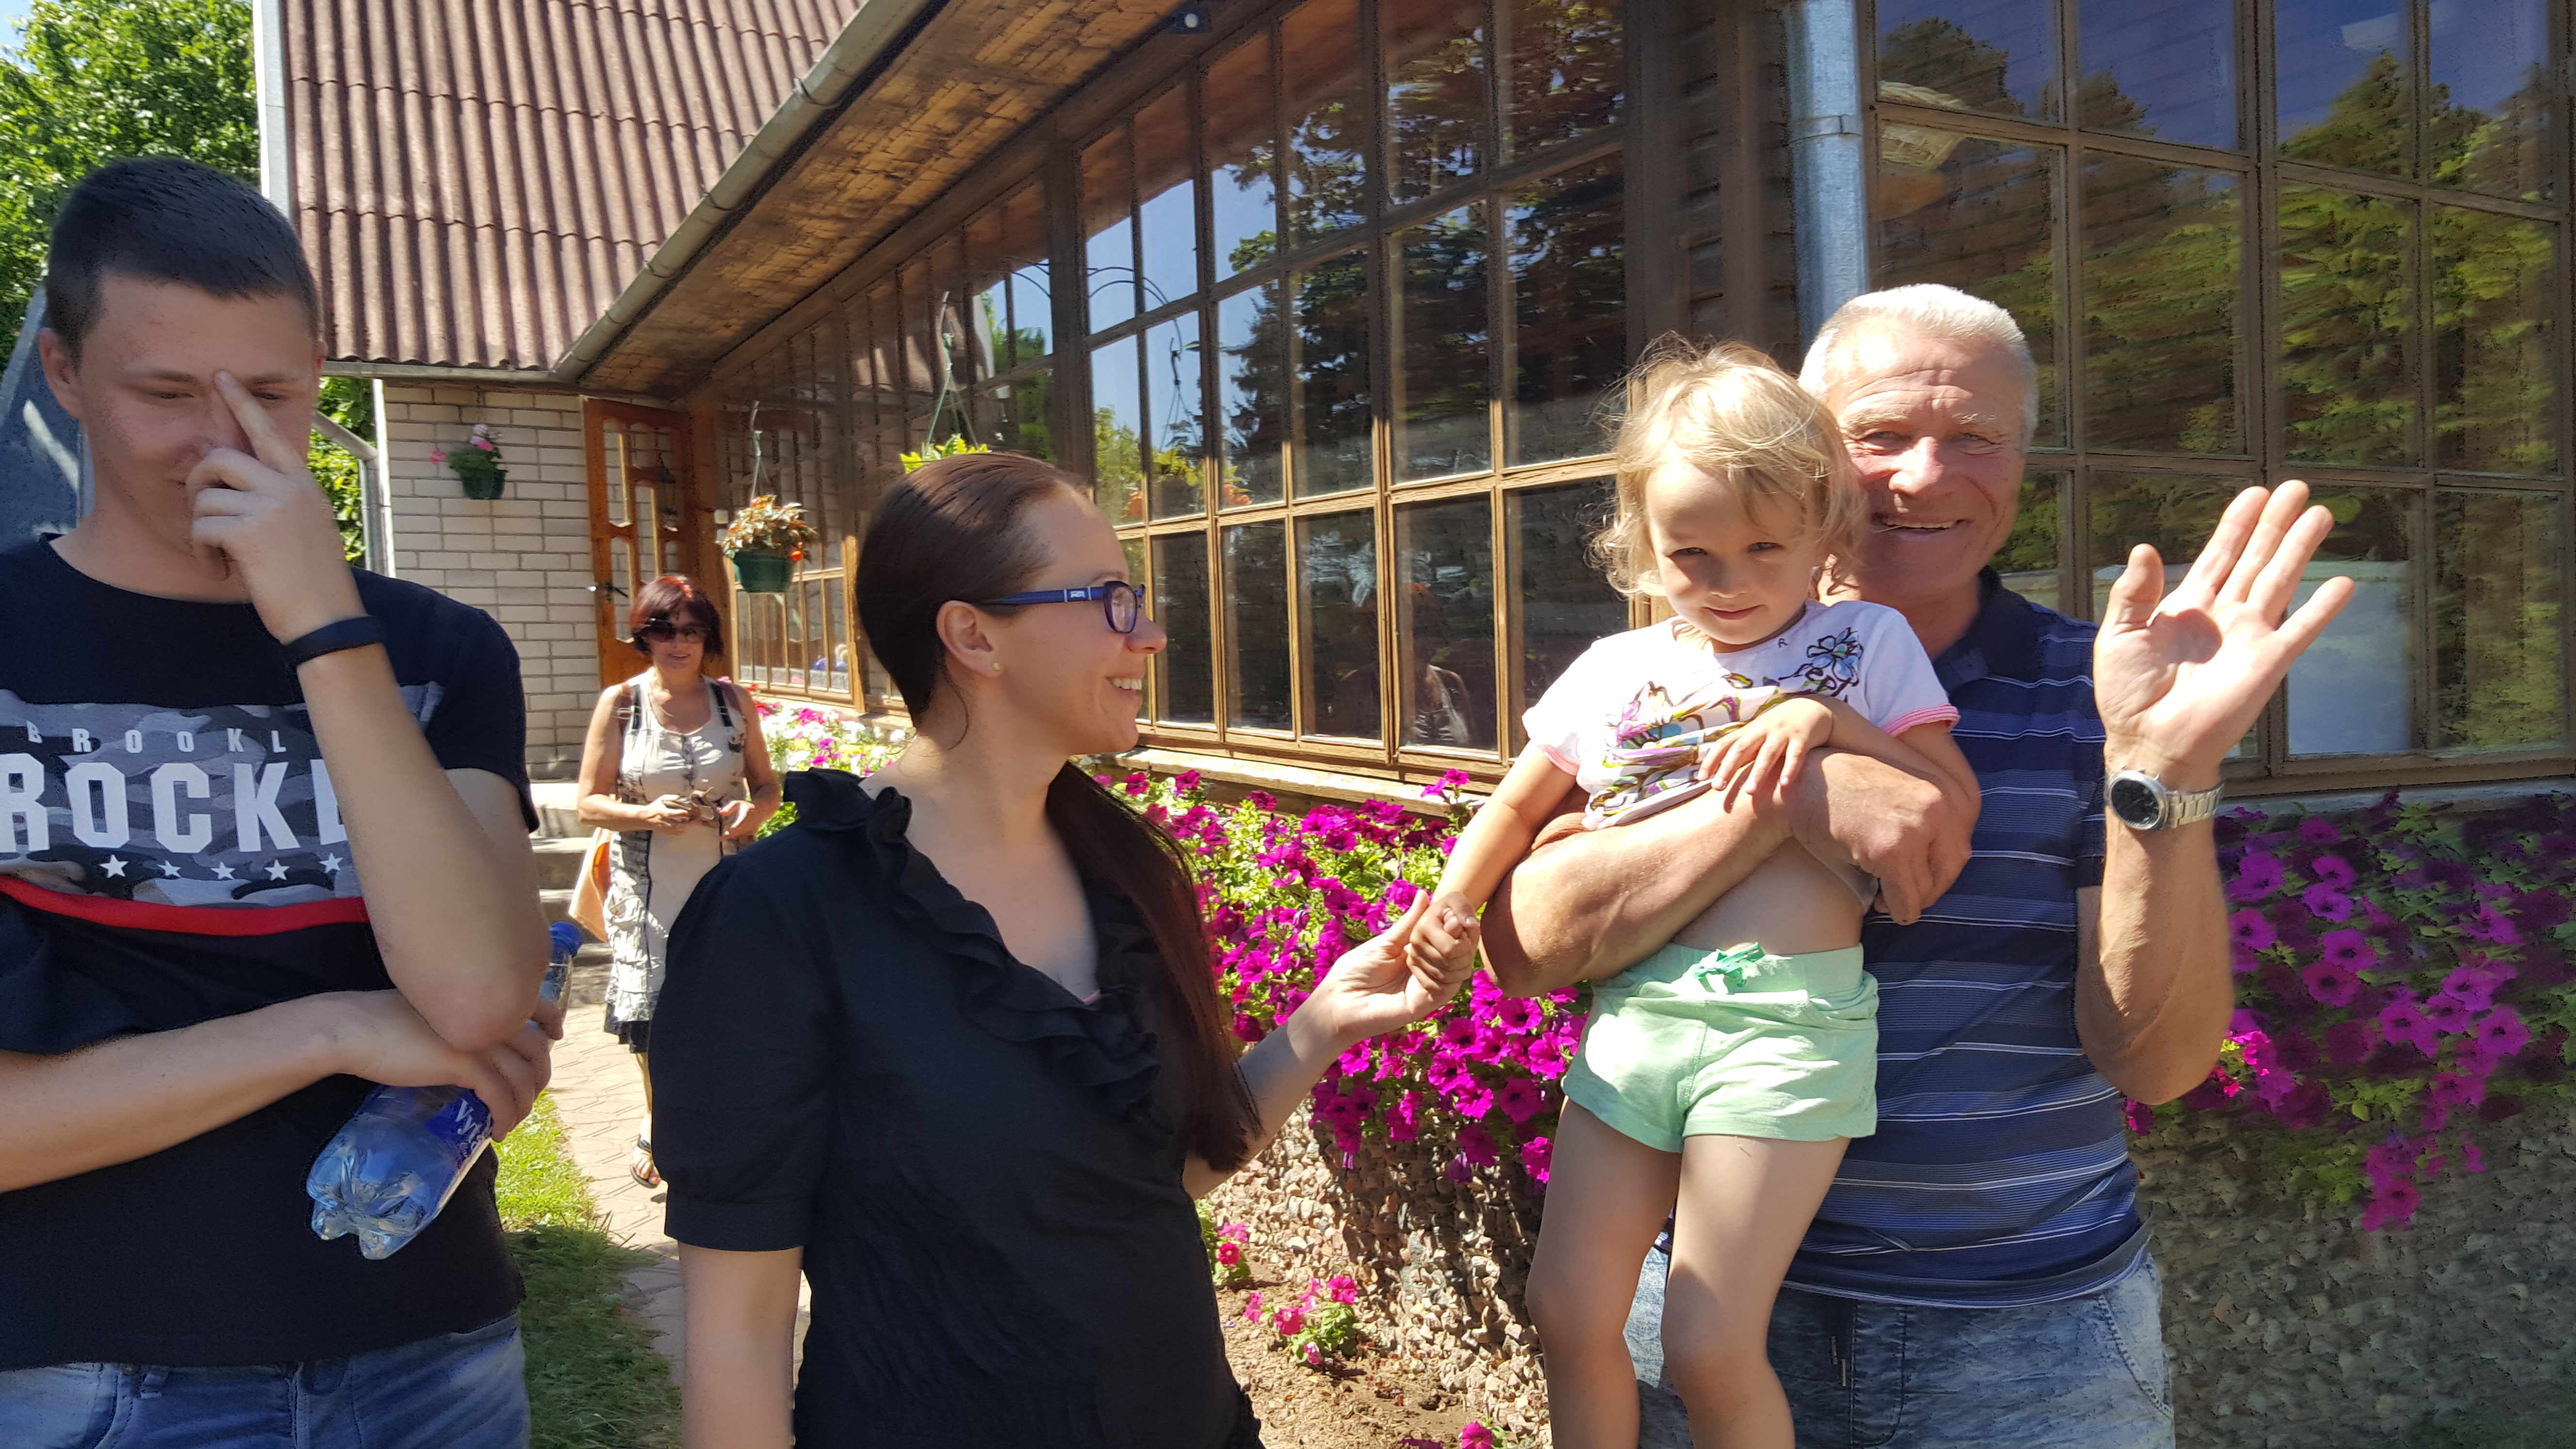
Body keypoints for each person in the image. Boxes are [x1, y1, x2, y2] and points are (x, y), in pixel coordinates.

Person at [1480, 285, 2353, 1449]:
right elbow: (1524, 946)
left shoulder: (2105, 687)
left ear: (2020, 466)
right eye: (1879, 434)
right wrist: (1793, 793)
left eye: (1975, 437)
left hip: (2029, 1348)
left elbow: (2156, 1061)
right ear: (1805, 457)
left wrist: (2160, 768)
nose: (1923, 476)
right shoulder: (1669, 670)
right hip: (1701, 1314)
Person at [650, 451, 1477, 1449]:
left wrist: (1321, 1023)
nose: (1151, 634)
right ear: (973, 636)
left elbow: (1154, 1179)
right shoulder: (780, 918)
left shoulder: (1123, 872)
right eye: (1110, 599)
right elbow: (737, 1332)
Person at [0, 158, 557, 1446]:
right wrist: (329, 1029)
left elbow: (479, 998)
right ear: (64, 373)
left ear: (319, 370)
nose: (227, 442)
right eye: (165, 394)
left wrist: (323, 626)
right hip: (90, 1374)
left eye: (271, 393)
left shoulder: (437, 651)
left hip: (433, 1355)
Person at [1415, 343, 1977, 1449]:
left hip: (1785, 1025)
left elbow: (1946, 801)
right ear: (1640, 542)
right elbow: (1515, 805)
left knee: (1706, 1340)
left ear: (1825, 527)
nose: (1729, 580)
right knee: (1564, 1308)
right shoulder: (1615, 667)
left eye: (1764, 546)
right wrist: (1447, 905)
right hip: (1633, 1015)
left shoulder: (1862, 641)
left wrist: (1825, 719)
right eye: (1691, 553)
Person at [574, 576, 779, 1187]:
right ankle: (658, 1119)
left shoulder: (732, 702)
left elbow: (766, 786)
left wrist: (753, 812)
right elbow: (587, 803)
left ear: (708, 638)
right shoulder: (622, 704)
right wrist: (645, 815)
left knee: (730, 1005)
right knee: (652, 1010)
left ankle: (727, 1117)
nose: (678, 643)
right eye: (664, 630)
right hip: (648, 888)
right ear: (645, 636)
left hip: (728, 883)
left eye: (691, 631)